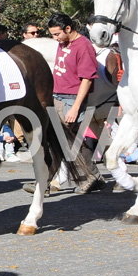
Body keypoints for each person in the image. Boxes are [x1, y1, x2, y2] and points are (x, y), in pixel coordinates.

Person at [48, 12, 105, 193]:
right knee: (70, 141)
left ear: (68, 28)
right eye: (52, 35)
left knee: (66, 140)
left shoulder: (84, 46)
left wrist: (75, 107)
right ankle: (94, 176)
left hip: (73, 99)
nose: (55, 38)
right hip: (58, 96)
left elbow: (87, 79)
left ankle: (47, 182)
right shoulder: (63, 42)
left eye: (57, 34)